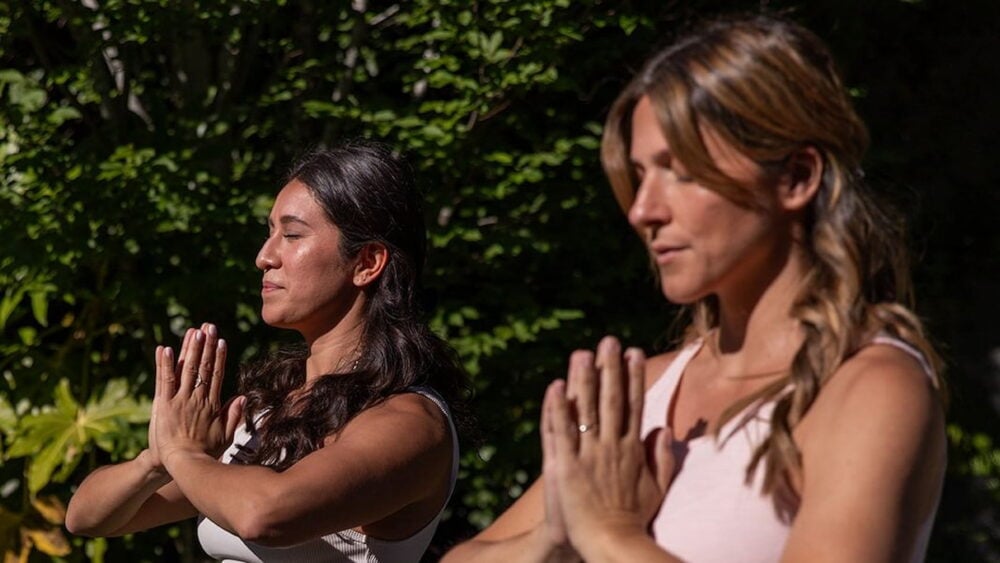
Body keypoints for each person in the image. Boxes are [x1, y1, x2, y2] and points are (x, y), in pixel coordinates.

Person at [444, 14, 946, 563]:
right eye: (640, 175)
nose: (643, 211)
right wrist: (557, 538)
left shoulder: (870, 387)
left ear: (797, 177)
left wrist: (612, 535)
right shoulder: (645, 394)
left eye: (680, 172)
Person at [66, 142, 470, 562]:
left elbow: (265, 514)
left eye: (292, 235)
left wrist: (181, 453)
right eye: (269, 232)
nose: (264, 256)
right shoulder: (272, 411)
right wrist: (156, 460)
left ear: (367, 262)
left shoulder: (410, 423)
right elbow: (87, 518)